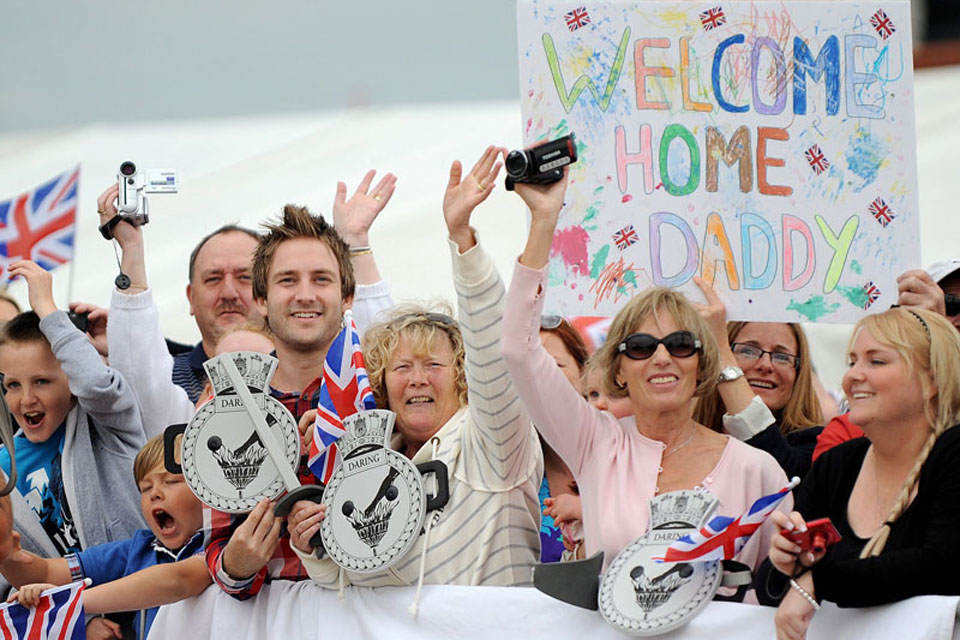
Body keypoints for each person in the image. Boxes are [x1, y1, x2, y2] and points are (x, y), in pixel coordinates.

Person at [500, 167, 789, 579]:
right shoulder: (596, 442)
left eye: (680, 344)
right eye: (640, 347)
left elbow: (775, 591)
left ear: (701, 361)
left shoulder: (756, 470)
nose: (661, 357)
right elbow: (518, 348)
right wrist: (545, 220)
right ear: (618, 369)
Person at [287, 145, 542, 591]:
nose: (417, 378)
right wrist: (316, 551)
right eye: (401, 367)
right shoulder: (368, 465)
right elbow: (352, 585)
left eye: (433, 364)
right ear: (382, 386)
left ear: (465, 378)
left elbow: (492, 346)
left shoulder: (493, 445)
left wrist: (462, 238)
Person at [205, 170, 398, 600]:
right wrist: (236, 564)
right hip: (272, 618)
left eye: (322, 279)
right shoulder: (233, 406)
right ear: (261, 300)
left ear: (347, 297)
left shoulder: (379, 394)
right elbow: (219, 552)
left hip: (368, 613)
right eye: (288, 280)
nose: (305, 295)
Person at [762, 307, 960, 640]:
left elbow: (943, 565)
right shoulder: (836, 465)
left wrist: (819, 581)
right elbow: (772, 592)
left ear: (932, 381)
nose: (853, 376)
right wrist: (786, 564)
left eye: (876, 361)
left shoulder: (954, 451)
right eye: (852, 361)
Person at [0, 260, 145, 595]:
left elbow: (96, 384)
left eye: (42, 381)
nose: (26, 400)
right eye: (12, 386)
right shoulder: (4, 470)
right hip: (71, 623)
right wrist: (84, 619)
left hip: (146, 601)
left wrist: (48, 311)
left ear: (71, 376)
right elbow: (10, 578)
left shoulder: (108, 425)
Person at [1, 434, 208, 639]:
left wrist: (70, 602)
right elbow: (47, 573)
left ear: (208, 490)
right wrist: (7, 555)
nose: (154, 494)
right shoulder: (139, 549)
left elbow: (177, 580)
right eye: (145, 488)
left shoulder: (218, 546)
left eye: (170, 481)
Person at [692, 282, 823, 479]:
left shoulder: (816, 444)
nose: (766, 365)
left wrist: (719, 348)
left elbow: (780, 472)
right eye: (748, 350)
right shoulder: (684, 440)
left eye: (781, 356)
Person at [538, 317, 588, 563]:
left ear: (584, 373)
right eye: (527, 369)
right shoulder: (510, 471)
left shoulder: (622, 452)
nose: (542, 377)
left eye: (556, 365)